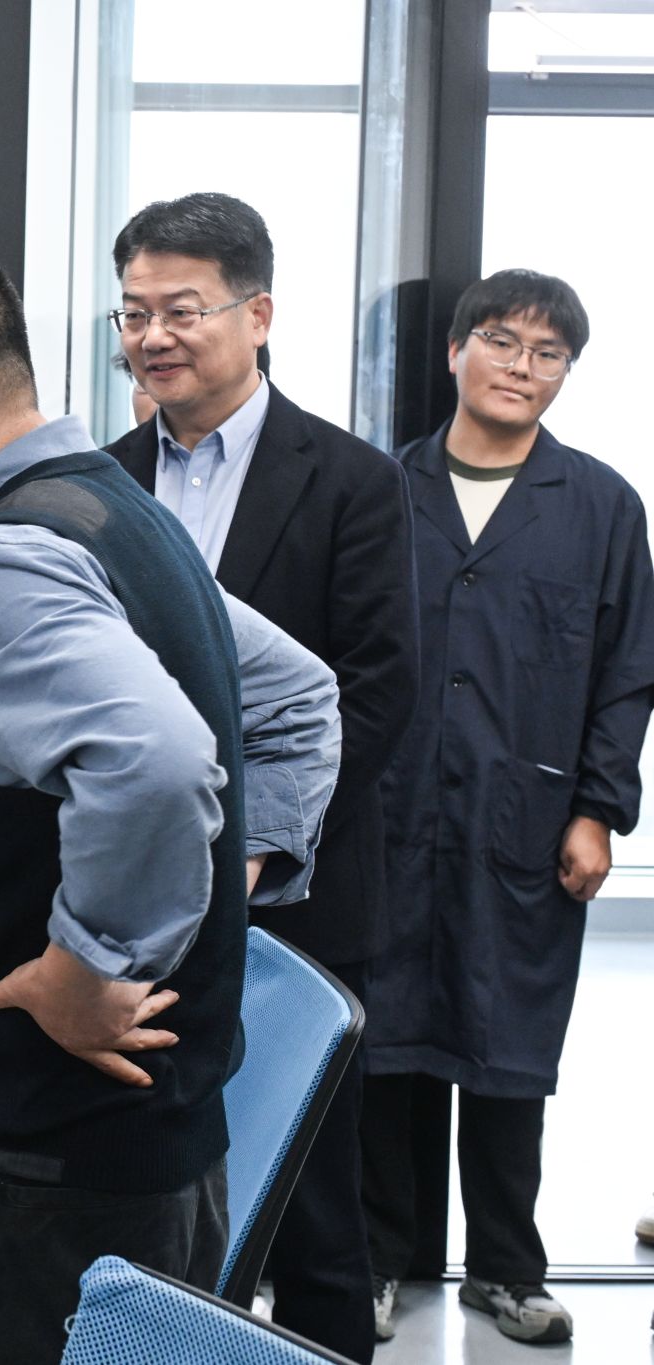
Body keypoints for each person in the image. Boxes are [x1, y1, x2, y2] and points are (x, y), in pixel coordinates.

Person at [0, 224, 341, 1363]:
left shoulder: (7, 561)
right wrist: (208, 890)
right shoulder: (113, 512)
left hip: (28, 1195)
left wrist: (92, 966)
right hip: (136, 1171)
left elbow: (156, 760)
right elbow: (296, 699)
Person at [102, 192, 419, 1363]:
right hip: (130, 895)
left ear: (257, 314)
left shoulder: (348, 478)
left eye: (180, 309)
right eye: (132, 312)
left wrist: (253, 848)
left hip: (294, 898)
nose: (152, 336)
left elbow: (376, 693)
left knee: (311, 1203)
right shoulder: (100, 480)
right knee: (144, 1192)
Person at [361, 268, 654, 1347]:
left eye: (546, 353)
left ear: (565, 372)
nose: (520, 366)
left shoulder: (600, 506)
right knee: (383, 1046)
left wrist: (597, 811)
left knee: (505, 1044)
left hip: (522, 821)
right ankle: (375, 1261)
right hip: (390, 814)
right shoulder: (380, 490)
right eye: (499, 341)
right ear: (454, 352)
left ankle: (505, 1269)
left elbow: (627, 672)